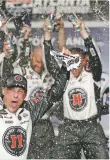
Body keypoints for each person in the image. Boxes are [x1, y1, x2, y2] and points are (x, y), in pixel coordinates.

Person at [0, 36, 68, 159]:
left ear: (25, 95)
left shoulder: (29, 110)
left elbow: (55, 94)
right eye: (12, 90)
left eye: (20, 91)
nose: (15, 95)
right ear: (3, 91)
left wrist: (65, 68)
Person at [51, 18, 109, 159]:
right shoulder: (63, 76)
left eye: (77, 60)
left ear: (84, 61)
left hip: (91, 128)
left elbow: (96, 58)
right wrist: (62, 30)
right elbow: (61, 48)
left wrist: (83, 32)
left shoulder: (93, 76)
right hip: (69, 128)